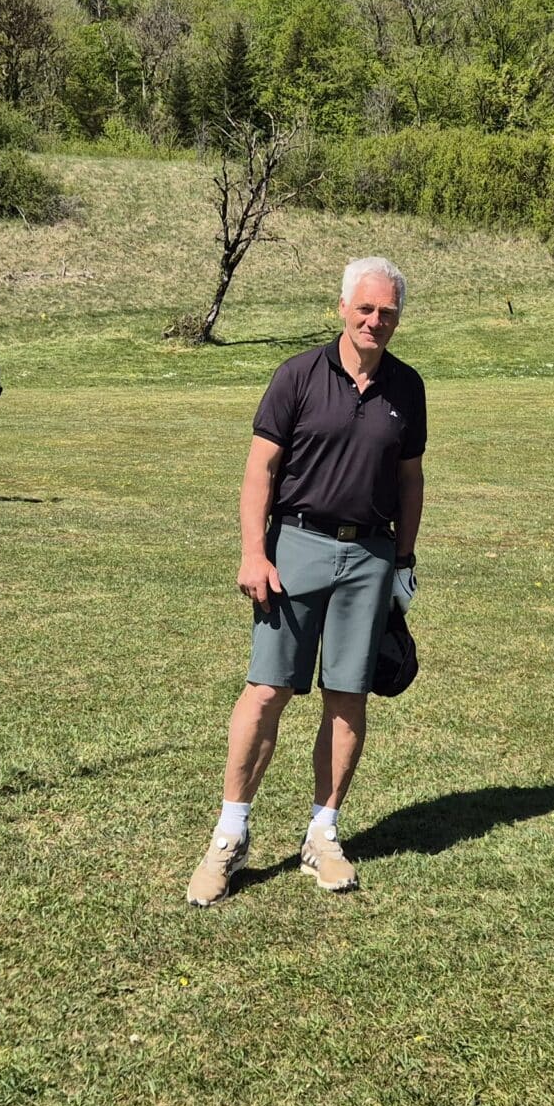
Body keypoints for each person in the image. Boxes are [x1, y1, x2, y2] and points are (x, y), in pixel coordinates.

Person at [186, 258, 427, 907]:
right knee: (266, 691)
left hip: (369, 558)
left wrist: (403, 562)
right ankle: (229, 837)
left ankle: (323, 833)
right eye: (366, 309)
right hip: (294, 548)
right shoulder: (296, 375)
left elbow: (410, 480)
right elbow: (259, 472)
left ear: (398, 317)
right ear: (343, 308)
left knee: (348, 697)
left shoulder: (408, 387)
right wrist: (252, 553)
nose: (375, 321)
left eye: (387, 312)